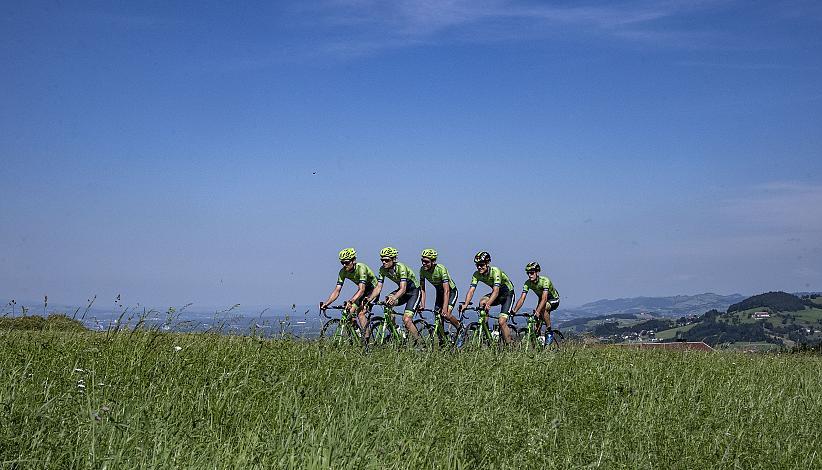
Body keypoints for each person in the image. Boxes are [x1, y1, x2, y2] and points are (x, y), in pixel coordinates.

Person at [458, 251, 515, 344]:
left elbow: (496, 291)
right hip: (496, 294)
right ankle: (486, 331)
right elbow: (471, 290)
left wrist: (489, 304)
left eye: (481, 264)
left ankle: (510, 346)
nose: (479, 267)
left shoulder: (495, 271)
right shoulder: (476, 274)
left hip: (507, 294)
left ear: (487, 263)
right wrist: (466, 304)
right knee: (482, 302)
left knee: (501, 322)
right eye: (477, 265)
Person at [366, 247, 422, 340]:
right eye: (382, 260)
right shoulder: (382, 269)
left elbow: (403, 288)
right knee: (388, 302)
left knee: (407, 320)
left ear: (394, 259)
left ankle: (421, 344)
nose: (384, 262)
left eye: (387, 260)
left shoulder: (401, 268)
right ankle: (397, 330)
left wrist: (394, 298)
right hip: (401, 291)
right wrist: (369, 299)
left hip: (413, 292)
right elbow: (378, 288)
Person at [320, 248, 377, 339]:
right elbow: (337, 290)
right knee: (349, 313)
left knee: (361, 313)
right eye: (342, 263)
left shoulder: (361, 268)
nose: (344, 265)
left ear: (353, 260)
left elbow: (362, 289)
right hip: (362, 291)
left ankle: (367, 343)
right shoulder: (343, 272)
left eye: (346, 262)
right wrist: (327, 303)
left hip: (373, 290)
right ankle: (358, 334)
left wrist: (351, 301)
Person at [511, 262, 560, 344]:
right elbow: (522, 298)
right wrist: (514, 311)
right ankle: (539, 345)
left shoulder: (545, 281)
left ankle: (549, 330)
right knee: (536, 326)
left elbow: (544, 299)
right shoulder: (527, 283)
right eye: (528, 273)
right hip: (541, 300)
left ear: (537, 273)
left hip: (553, 300)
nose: (530, 275)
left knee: (542, 310)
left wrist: (537, 312)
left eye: (532, 273)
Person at [418, 248, 461, 337]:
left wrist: (445, 308)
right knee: (437, 315)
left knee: (446, 315)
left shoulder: (441, 269)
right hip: (440, 293)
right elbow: (422, 289)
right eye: (422, 261)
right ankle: (442, 339)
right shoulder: (422, 270)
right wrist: (422, 304)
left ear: (433, 261)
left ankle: (460, 328)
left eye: (426, 261)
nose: (423, 263)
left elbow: (447, 290)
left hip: (451, 292)